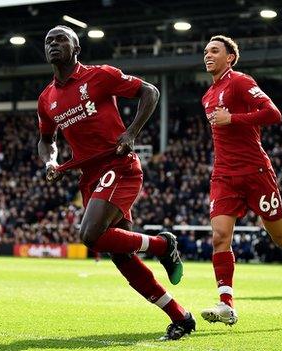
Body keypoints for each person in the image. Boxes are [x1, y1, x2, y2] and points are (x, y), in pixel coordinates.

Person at [37, 25, 194, 340]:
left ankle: (164, 245)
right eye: (48, 41)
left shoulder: (99, 76)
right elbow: (45, 140)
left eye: (61, 39)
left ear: (77, 48)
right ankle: (181, 317)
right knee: (123, 257)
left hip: (119, 166)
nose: (53, 44)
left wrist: (132, 132)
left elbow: (150, 91)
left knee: (90, 235)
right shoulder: (46, 98)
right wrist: (50, 161)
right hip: (90, 177)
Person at [199, 35, 282, 326]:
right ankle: (226, 304)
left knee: (281, 238)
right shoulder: (207, 96)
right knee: (220, 237)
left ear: (230, 57)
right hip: (223, 175)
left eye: (215, 51)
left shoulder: (241, 82)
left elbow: (273, 114)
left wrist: (233, 118)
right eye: (206, 51)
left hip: (256, 172)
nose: (207, 55)